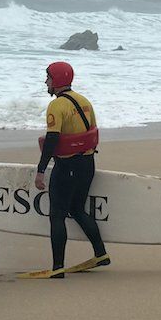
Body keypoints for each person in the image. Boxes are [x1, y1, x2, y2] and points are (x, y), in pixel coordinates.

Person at [34, 61, 109, 278]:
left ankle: (58, 268)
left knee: (57, 215)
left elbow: (52, 140)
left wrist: (40, 170)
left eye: (48, 78)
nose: (46, 82)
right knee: (77, 209)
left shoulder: (57, 106)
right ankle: (100, 253)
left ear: (56, 80)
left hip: (67, 167)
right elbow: (92, 133)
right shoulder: (85, 101)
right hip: (87, 165)